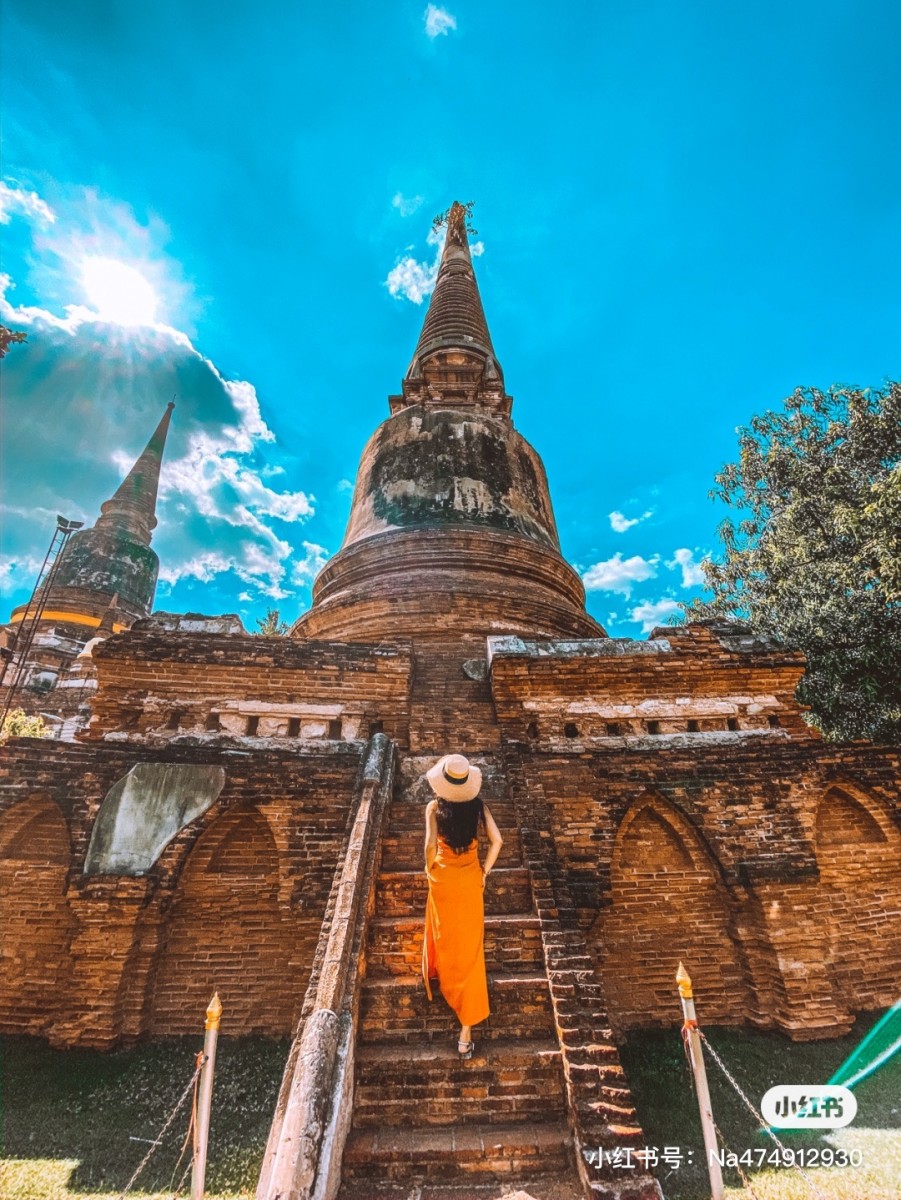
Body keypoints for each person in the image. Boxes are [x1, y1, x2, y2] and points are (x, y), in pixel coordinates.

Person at [422, 753, 503, 1058]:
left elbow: (430, 845)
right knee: (471, 951)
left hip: (443, 880)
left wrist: (429, 868)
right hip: (470, 880)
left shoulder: (433, 807)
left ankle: (444, 981)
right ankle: (465, 1031)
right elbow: (498, 840)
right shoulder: (478, 807)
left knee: (448, 940)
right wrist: (484, 871)